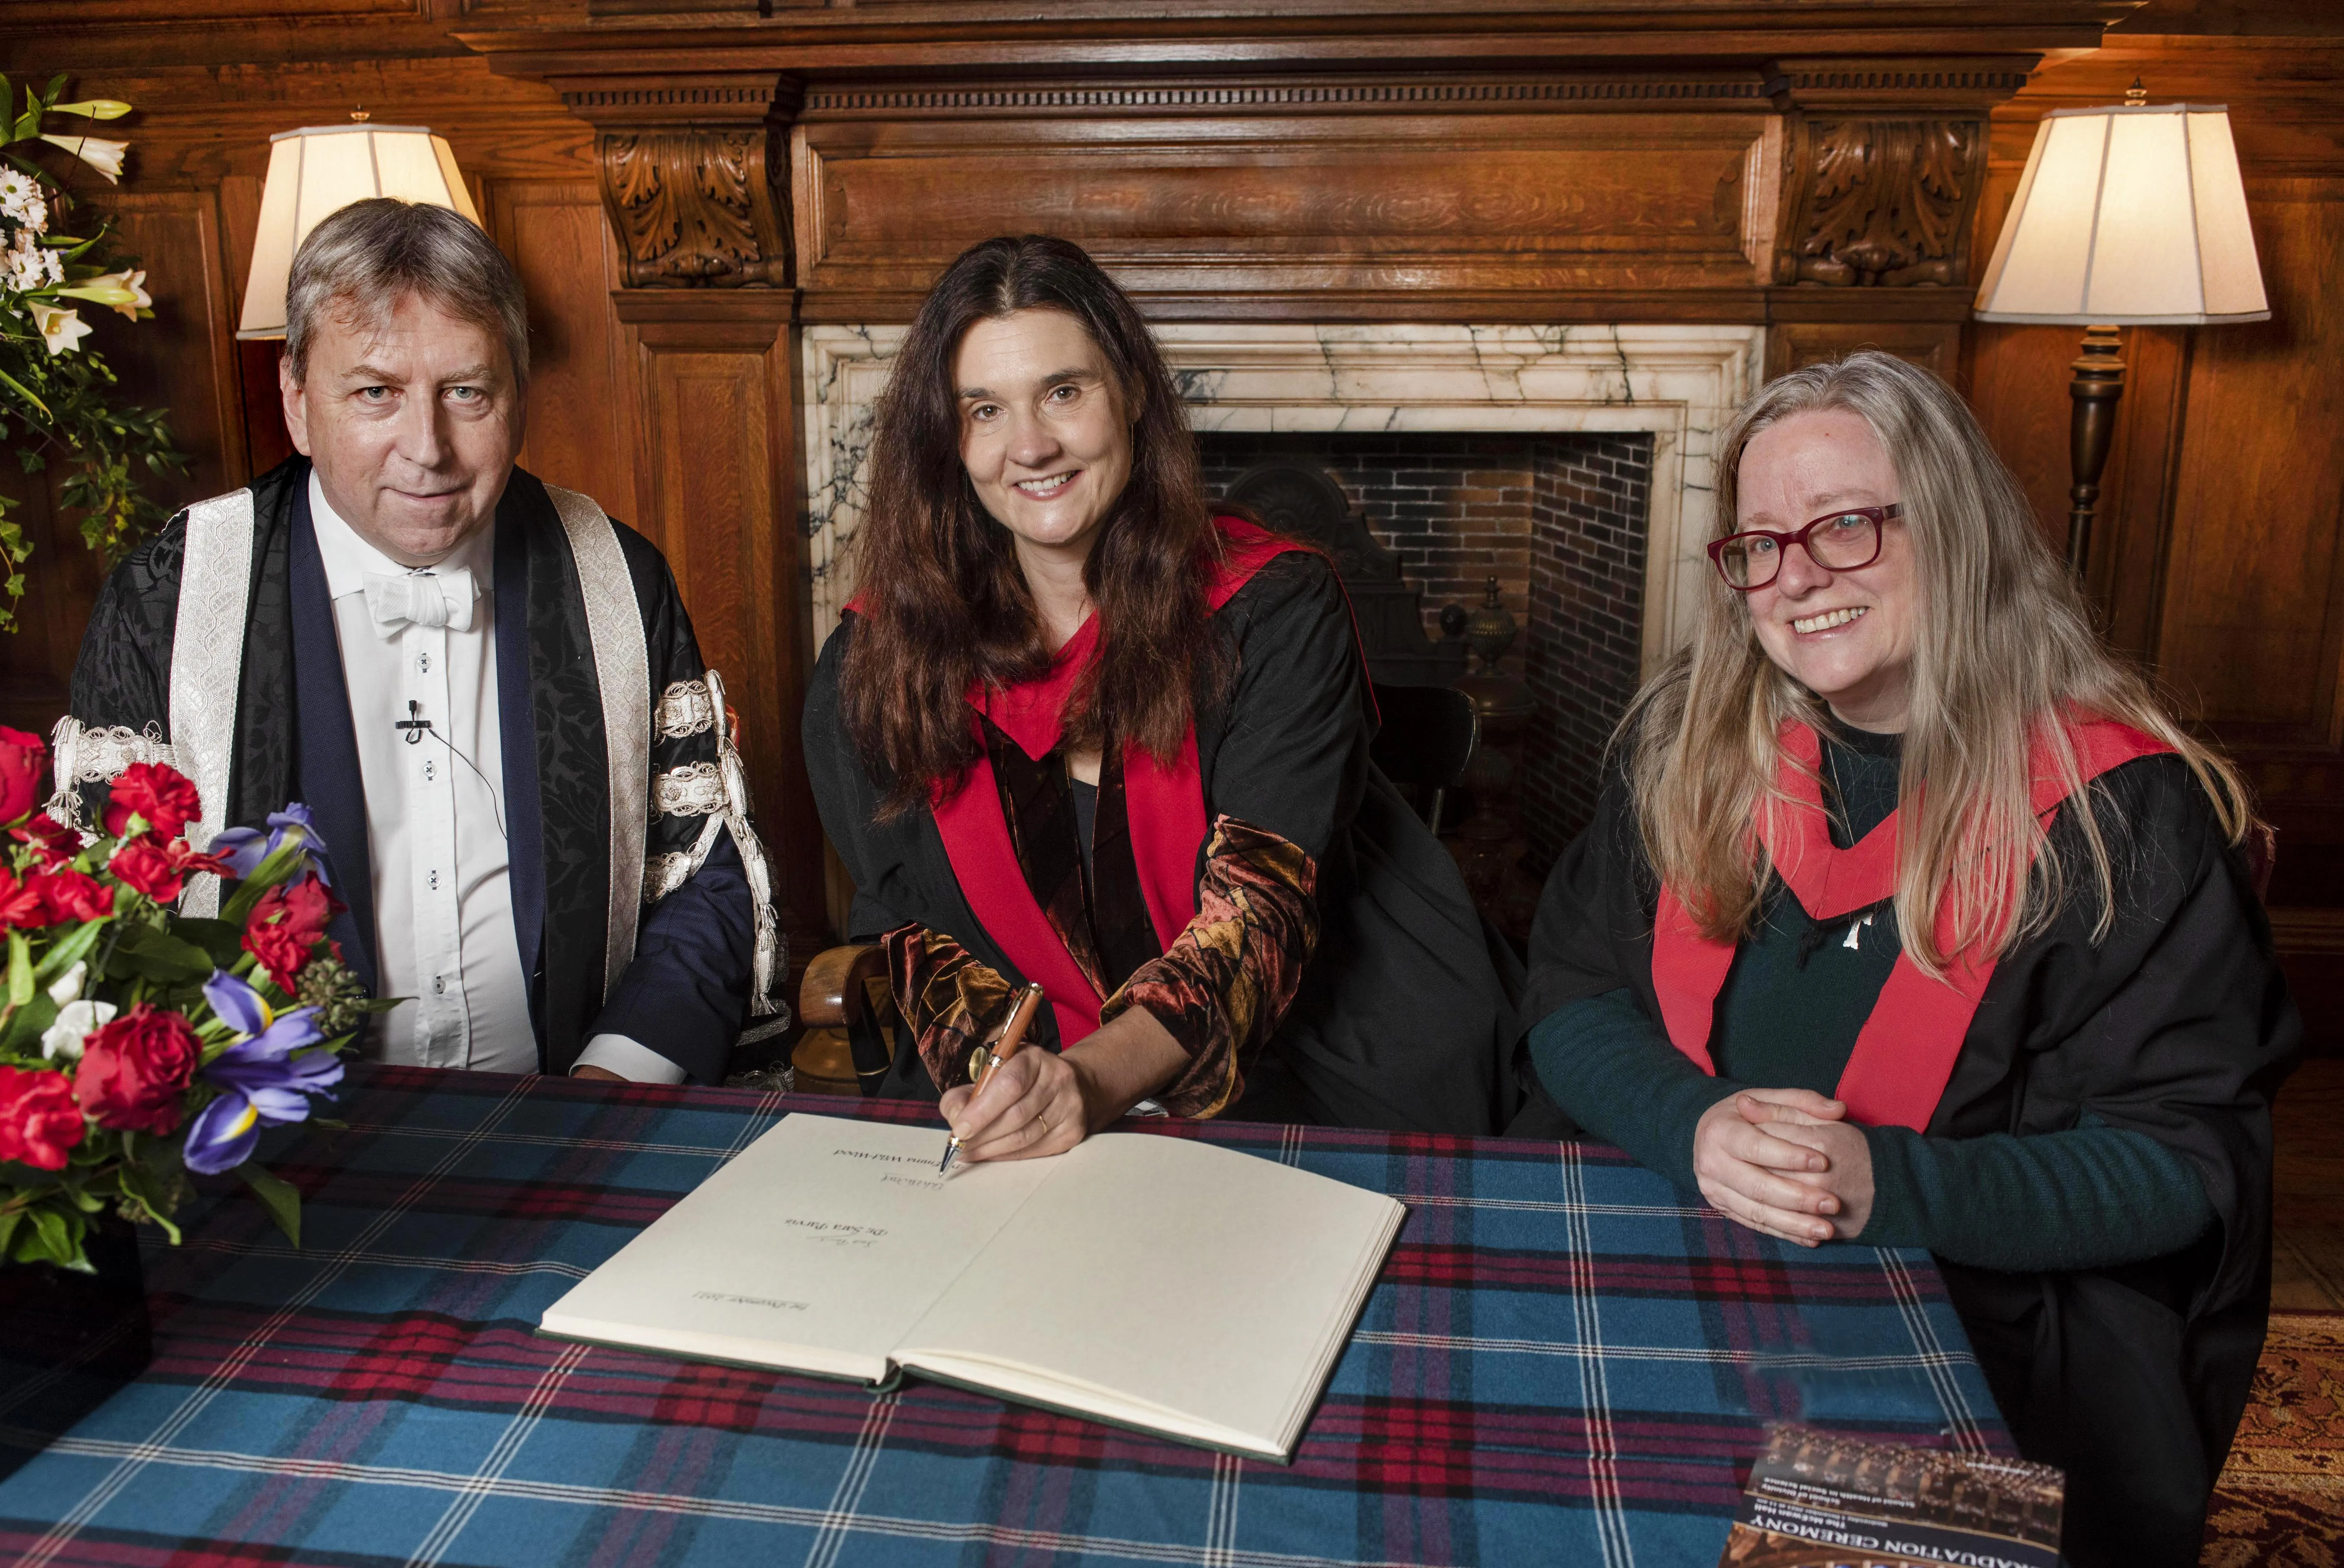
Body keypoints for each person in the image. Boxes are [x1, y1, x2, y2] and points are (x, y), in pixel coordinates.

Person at [1520, 350, 2300, 1567]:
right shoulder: (1693, 749)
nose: (1796, 577)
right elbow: (1573, 994)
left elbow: (2180, 1165)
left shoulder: (2117, 816)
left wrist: (1883, 1184)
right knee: (1510, 1497)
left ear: (1954, 530)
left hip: (1971, 1333)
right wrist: (1692, 1123)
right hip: (1692, 1257)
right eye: (1760, 544)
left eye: (1844, 526)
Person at [803, 233, 1522, 1160]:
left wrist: (1089, 1082)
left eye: (1064, 392)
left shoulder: (1271, 611)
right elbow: (918, 929)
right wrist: (1008, 1086)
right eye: (985, 409)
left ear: (1132, 393)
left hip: (1309, 1062)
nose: (1031, 445)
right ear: (950, 441)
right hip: (1043, 1084)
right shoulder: (878, 663)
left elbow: (1256, 921)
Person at [52, 198, 784, 1083]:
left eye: (466, 392)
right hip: (274, 1134)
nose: (427, 448)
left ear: (518, 395)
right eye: (376, 393)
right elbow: (102, 920)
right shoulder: (169, 601)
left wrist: (613, 1085)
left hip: (579, 1100)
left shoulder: (618, 577)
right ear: (297, 401)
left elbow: (705, 880)